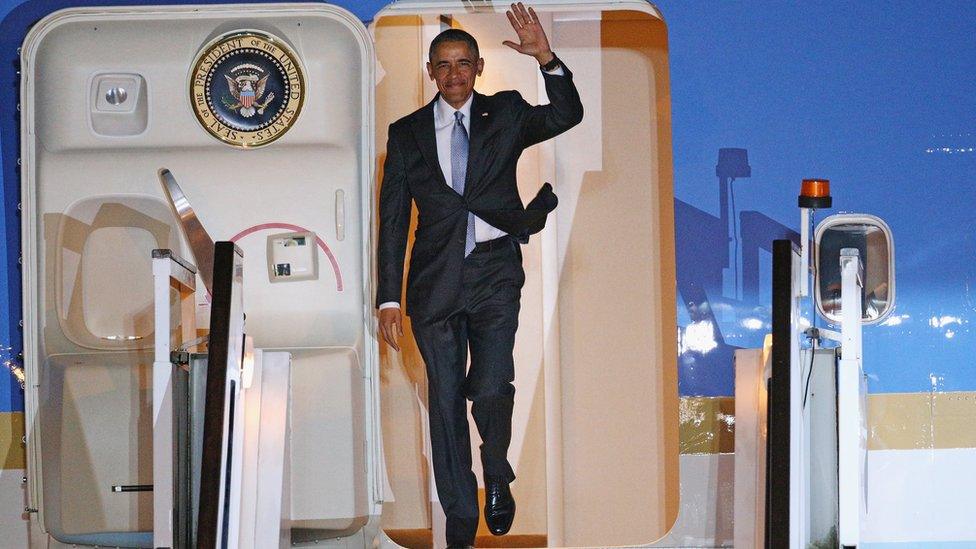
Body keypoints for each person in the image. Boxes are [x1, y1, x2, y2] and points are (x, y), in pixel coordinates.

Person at [376, 3, 583, 546]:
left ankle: (496, 472)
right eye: (443, 65)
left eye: (464, 63)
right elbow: (393, 220)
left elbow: (566, 115)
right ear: (431, 72)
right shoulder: (406, 134)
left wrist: (547, 58)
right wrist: (387, 299)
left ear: (479, 69)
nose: (454, 74)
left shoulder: (507, 114)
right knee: (444, 405)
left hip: (494, 273)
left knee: (490, 387)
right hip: (433, 285)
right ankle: (460, 528)